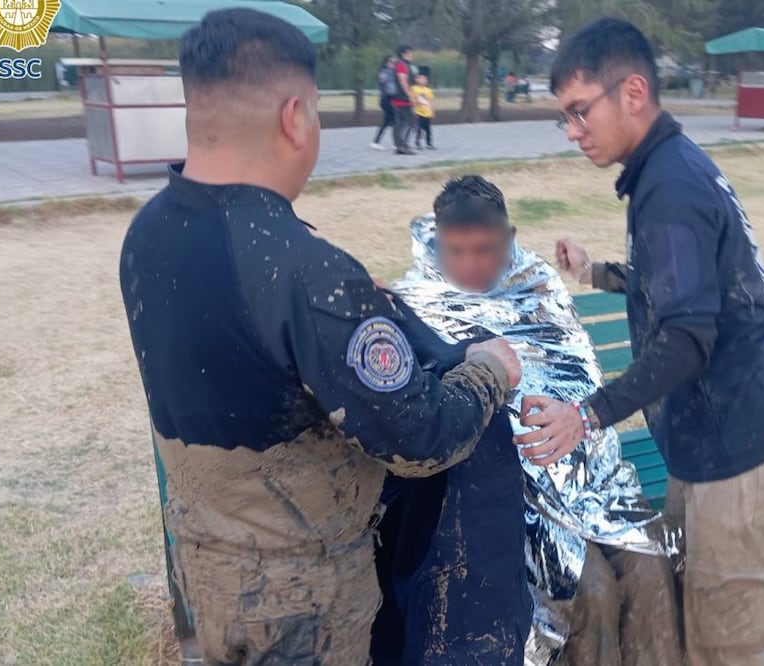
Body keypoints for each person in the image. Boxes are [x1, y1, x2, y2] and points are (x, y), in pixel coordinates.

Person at [118, 10, 521, 665]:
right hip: (304, 606)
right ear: (296, 116)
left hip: (212, 571)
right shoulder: (305, 272)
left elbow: (241, 358)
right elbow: (418, 441)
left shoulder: (150, 232)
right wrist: (488, 371)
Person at [518, 18, 764, 666]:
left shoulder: (669, 188)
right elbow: (676, 284)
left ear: (631, 92)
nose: (571, 132)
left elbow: (686, 339)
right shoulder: (666, 174)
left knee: (724, 647)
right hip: (706, 447)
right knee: (686, 618)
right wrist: (595, 273)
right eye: (562, 118)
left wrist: (587, 414)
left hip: (737, 454)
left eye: (578, 111)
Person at [391, 176, 681, 666]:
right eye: (455, 250)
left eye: (484, 249)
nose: (470, 265)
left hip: (586, 474)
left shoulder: (536, 282)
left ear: (509, 237)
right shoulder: (415, 301)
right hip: (503, 497)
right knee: (591, 589)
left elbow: (581, 375)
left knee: (650, 567)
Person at [392, 45, 417, 155]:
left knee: (401, 123)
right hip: (402, 99)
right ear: (403, 54)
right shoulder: (402, 65)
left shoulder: (403, 65)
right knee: (407, 123)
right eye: (409, 53)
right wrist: (410, 95)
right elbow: (403, 81)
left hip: (399, 98)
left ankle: (401, 145)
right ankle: (402, 145)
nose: (411, 55)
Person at [371, 54, 397, 150]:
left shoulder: (391, 72)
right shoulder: (384, 73)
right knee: (394, 121)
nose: (393, 64)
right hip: (386, 100)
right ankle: (396, 142)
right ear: (386, 62)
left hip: (389, 100)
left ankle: (376, 141)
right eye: (391, 62)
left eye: (394, 62)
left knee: (386, 122)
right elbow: (388, 86)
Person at [412, 73, 436, 150]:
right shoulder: (414, 89)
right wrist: (413, 109)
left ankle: (429, 143)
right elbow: (412, 99)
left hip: (427, 112)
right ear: (416, 79)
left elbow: (431, 101)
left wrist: (432, 111)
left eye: (424, 79)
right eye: (420, 78)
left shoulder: (428, 90)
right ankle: (418, 143)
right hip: (418, 112)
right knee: (419, 129)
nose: (422, 80)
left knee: (428, 129)